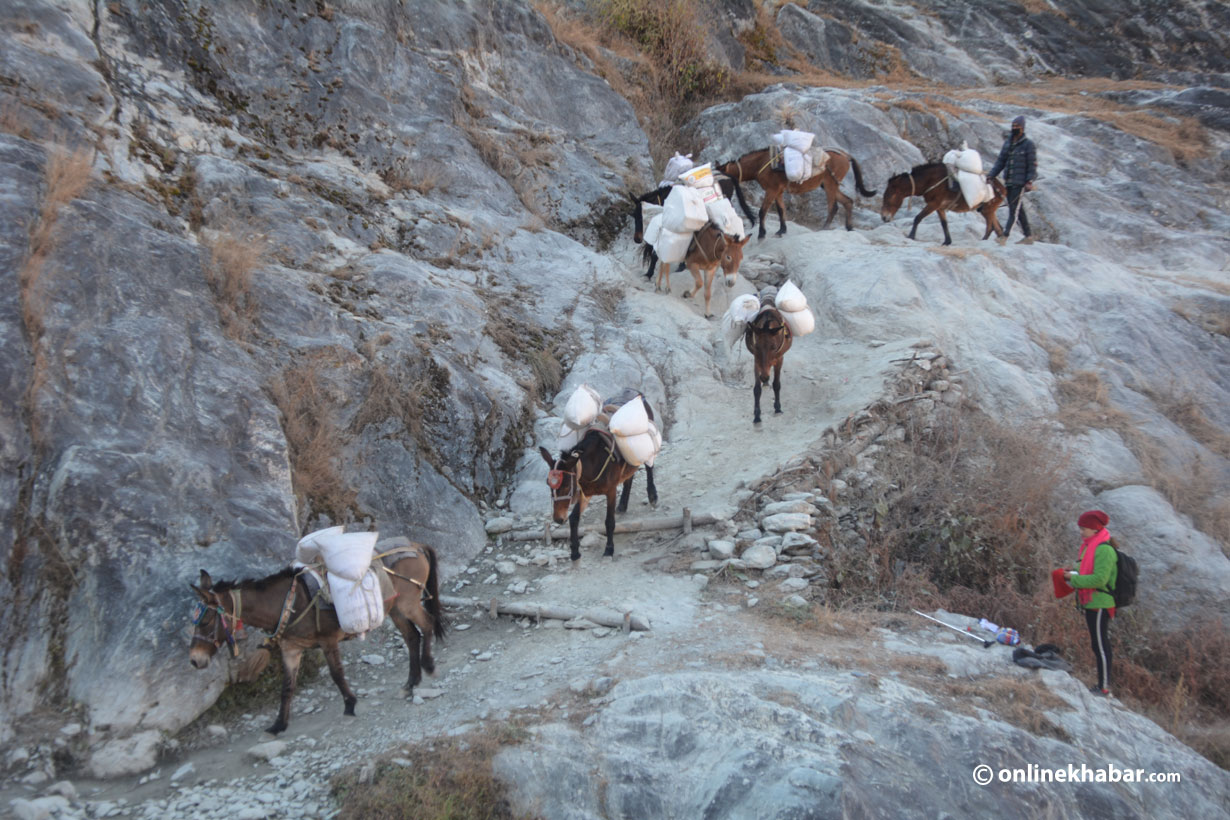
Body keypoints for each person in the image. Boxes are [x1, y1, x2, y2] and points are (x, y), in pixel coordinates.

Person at [1065, 510, 1119, 697]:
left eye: (1084, 528)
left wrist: (1074, 580)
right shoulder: (1089, 546)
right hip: (1091, 602)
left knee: (1101, 645)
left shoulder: (1104, 549)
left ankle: (1103, 687)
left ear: (1095, 528)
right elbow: (1085, 572)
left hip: (1100, 603)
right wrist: (1070, 574)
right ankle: (1102, 685)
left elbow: (1099, 580)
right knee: (1098, 644)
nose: (1081, 531)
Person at [988, 115, 1037, 245]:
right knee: (1018, 209)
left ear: (1023, 128)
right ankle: (1029, 236)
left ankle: (1004, 236)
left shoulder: (1028, 145)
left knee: (1013, 211)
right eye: (1013, 126)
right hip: (1008, 181)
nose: (1015, 128)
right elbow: (1001, 161)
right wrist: (991, 175)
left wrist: (1029, 181)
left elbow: (1032, 165)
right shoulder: (1008, 143)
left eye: (1017, 127)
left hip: (1020, 183)